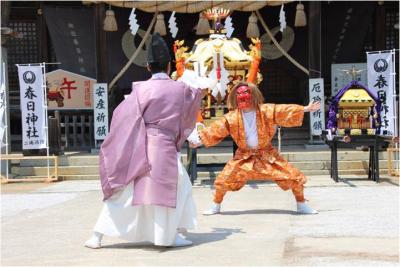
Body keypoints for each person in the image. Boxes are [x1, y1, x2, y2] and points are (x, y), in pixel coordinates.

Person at [85, 33, 205, 248]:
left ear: (148, 67)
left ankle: (97, 235)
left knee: (127, 191)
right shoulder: (182, 89)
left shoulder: (140, 90)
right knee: (177, 187)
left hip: (141, 145)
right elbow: (191, 108)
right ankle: (168, 235)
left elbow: (123, 118)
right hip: (166, 145)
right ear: (169, 66)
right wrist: (188, 136)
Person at [189, 82, 320, 215]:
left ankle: (301, 204)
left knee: (294, 177)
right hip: (244, 158)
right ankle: (215, 206)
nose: (242, 97)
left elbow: (282, 110)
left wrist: (305, 109)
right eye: (239, 94)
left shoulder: (266, 111)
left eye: (245, 93)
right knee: (223, 180)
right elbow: (216, 130)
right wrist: (199, 141)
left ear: (253, 95)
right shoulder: (232, 117)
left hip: (267, 156)